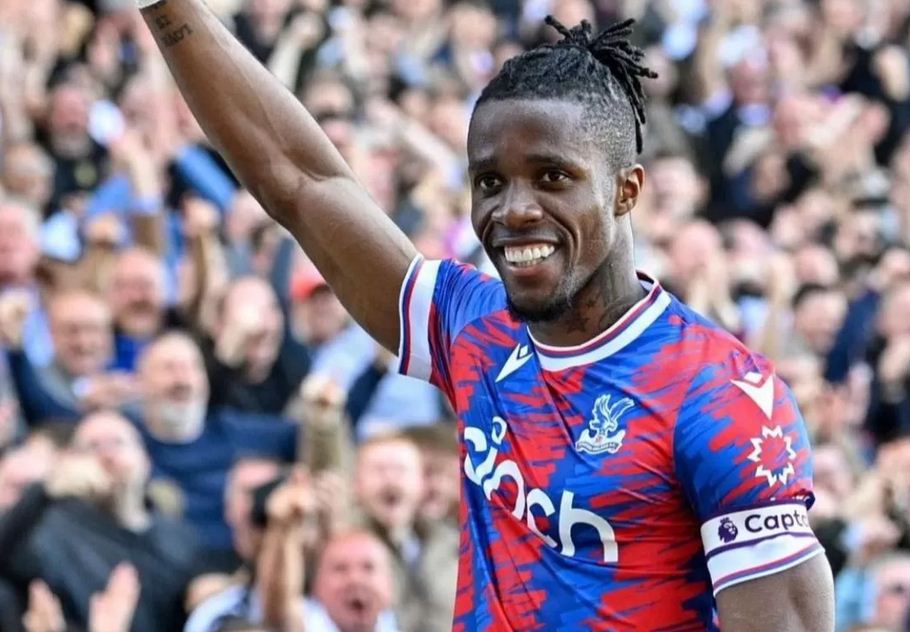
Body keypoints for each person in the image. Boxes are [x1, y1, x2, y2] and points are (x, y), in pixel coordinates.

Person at [139, 3, 835, 629]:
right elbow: (297, 179)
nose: (515, 209)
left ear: (626, 190)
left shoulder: (721, 396)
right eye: (490, 182)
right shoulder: (473, 329)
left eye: (553, 176)